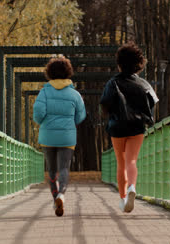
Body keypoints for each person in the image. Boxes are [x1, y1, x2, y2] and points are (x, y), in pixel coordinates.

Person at [99, 42, 158, 213]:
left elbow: (104, 103)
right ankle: (132, 187)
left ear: (119, 63)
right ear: (139, 64)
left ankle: (123, 197)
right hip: (137, 126)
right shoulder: (144, 84)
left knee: (121, 162)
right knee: (132, 160)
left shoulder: (112, 82)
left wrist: (109, 114)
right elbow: (152, 103)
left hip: (117, 126)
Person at [33, 56, 86, 217]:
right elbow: (81, 116)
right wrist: (70, 123)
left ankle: (55, 197)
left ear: (49, 73)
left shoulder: (44, 92)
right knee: (64, 167)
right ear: (68, 72)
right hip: (67, 137)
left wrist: (43, 121)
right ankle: (62, 194)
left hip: (48, 136)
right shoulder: (75, 94)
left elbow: (38, 114)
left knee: (52, 170)